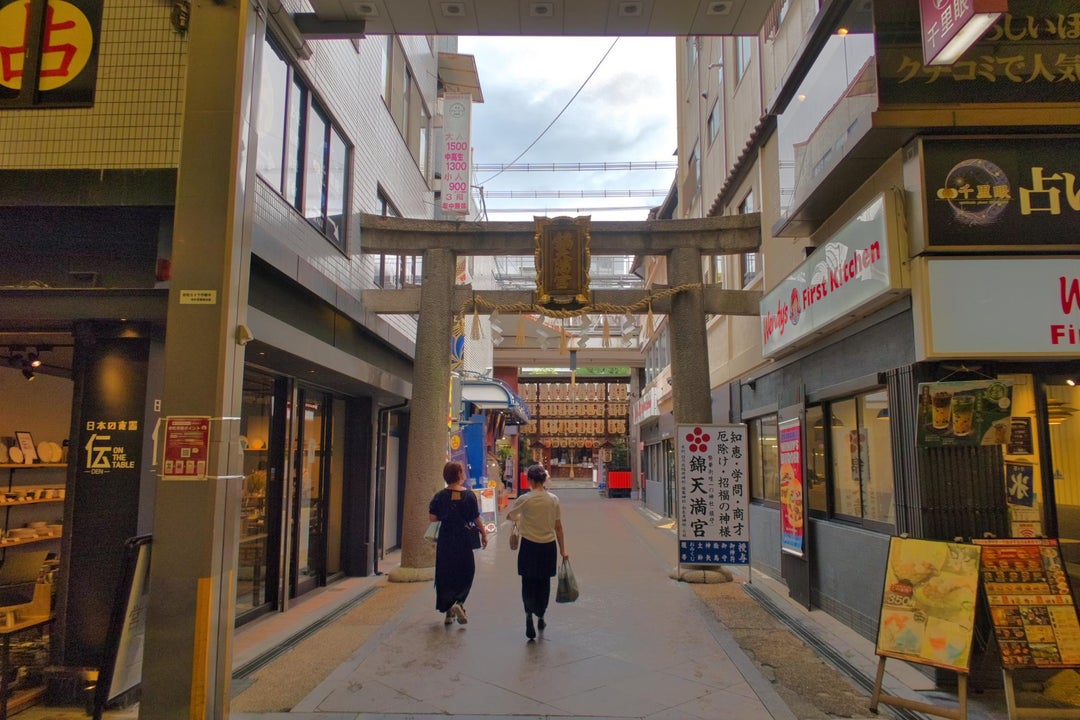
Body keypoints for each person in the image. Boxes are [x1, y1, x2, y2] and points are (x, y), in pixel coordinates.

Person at [506, 463, 568, 640]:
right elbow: (559, 527)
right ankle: (541, 615)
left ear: (531, 480)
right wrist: (563, 550)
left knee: (528, 582)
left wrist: (520, 517)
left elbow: (511, 516)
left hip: (529, 546)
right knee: (544, 583)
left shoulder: (524, 499)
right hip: (548, 547)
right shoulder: (553, 499)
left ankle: (528, 615)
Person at [429, 461, 488, 625]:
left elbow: (432, 518)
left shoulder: (440, 496)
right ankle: (459, 602)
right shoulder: (469, 496)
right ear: (459, 475)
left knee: (445, 573)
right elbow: (476, 517)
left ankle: (448, 611)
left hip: (446, 538)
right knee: (466, 571)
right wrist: (484, 533)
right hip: (463, 539)